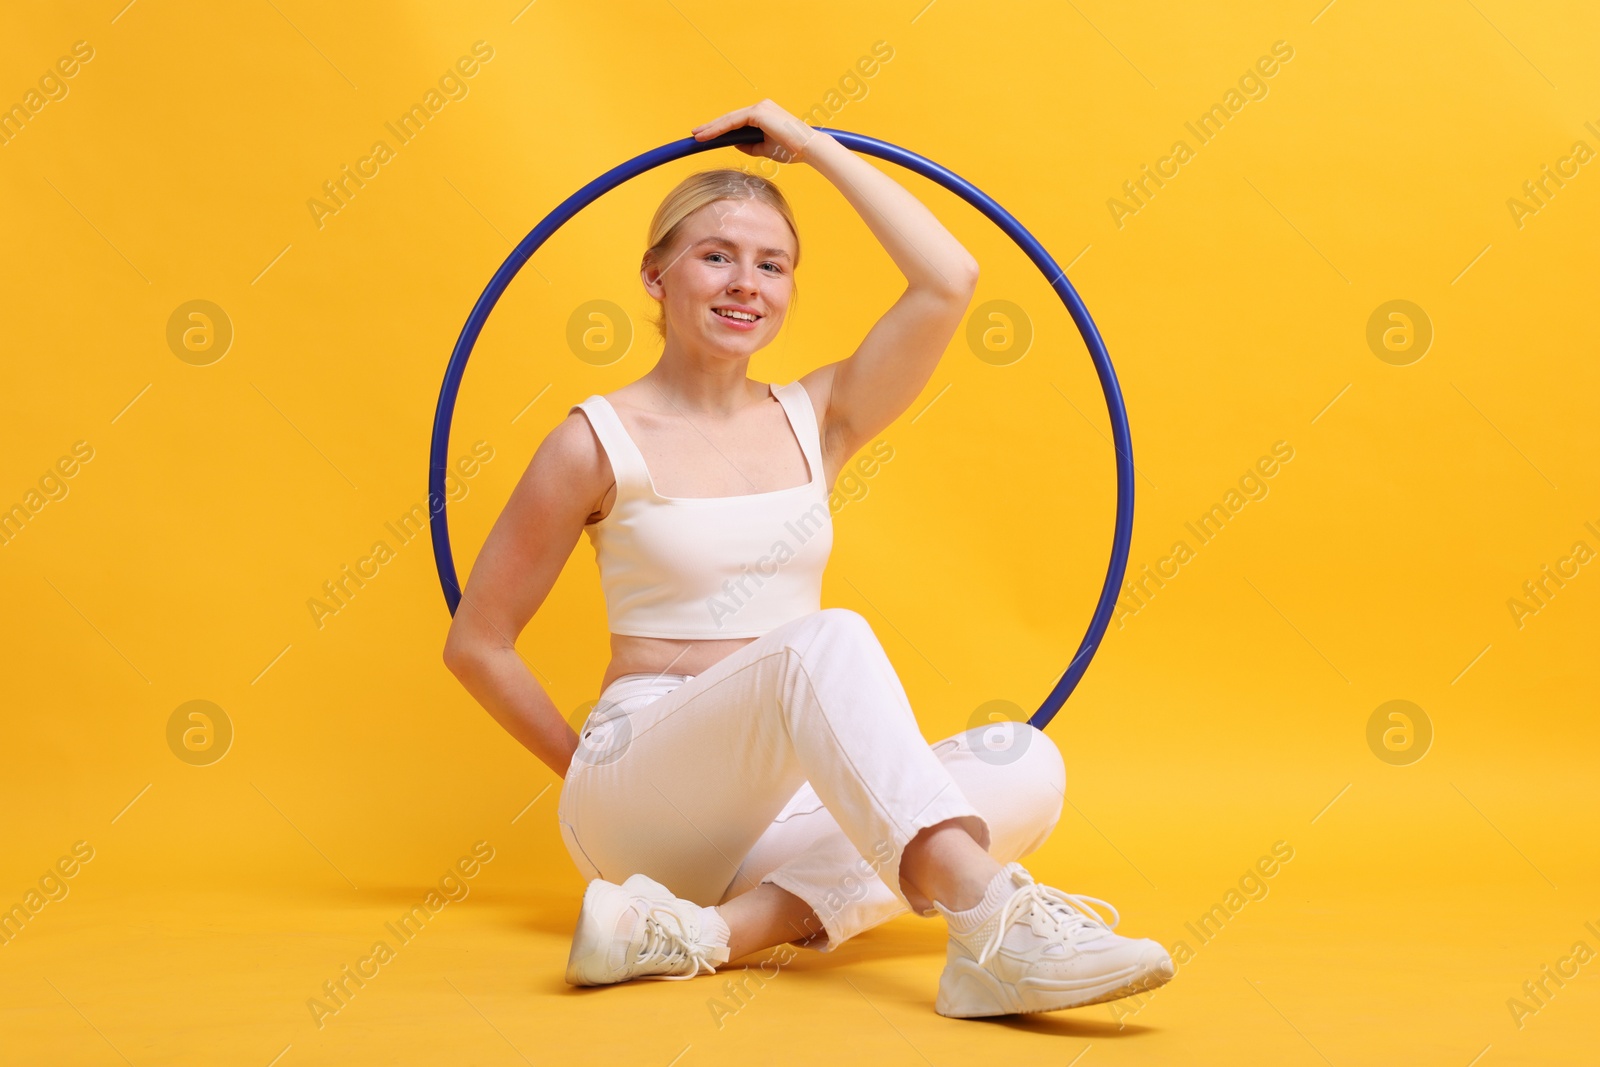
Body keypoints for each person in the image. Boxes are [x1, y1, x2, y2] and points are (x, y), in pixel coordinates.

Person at [442, 99, 1173, 1018]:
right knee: (822, 640)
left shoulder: (816, 417)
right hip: (644, 791)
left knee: (1024, 761)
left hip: (785, 806)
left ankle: (702, 934)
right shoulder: (593, 441)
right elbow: (478, 643)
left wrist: (817, 150)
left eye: (772, 263)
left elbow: (949, 278)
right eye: (717, 255)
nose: (746, 281)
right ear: (655, 275)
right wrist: (590, 771)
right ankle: (995, 917)